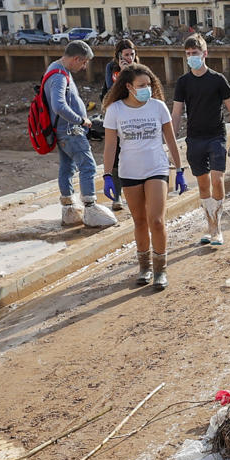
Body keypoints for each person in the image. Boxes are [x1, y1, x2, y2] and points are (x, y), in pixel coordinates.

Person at [101, 62, 184, 289]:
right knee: (139, 221)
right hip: (129, 171)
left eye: (149, 84)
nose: (147, 88)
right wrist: (107, 174)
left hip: (156, 168)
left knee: (156, 221)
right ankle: (145, 267)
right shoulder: (115, 110)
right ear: (129, 86)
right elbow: (110, 145)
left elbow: (170, 140)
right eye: (141, 85)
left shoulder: (158, 107)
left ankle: (160, 269)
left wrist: (180, 170)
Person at [169, 33, 230, 246]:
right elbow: (176, 114)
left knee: (217, 180)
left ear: (205, 54)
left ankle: (217, 227)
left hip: (216, 136)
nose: (191, 56)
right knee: (202, 185)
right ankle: (209, 225)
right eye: (188, 53)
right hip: (194, 139)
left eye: (195, 53)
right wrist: (171, 145)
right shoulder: (183, 82)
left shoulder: (218, 79)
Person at [46, 41, 114, 229]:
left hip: (62, 130)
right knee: (88, 166)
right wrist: (81, 120)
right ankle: (90, 209)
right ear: (76, 58)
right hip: (70, 131)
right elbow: (58, 106)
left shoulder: (54, 68)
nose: (84, 67)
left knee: (67, 167)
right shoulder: (59, 76)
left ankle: (69, 209)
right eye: (83, 63)